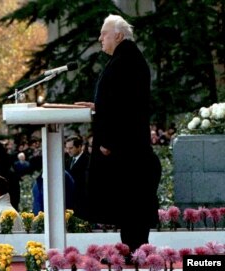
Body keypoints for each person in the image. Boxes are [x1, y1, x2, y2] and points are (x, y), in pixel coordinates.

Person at [75, 14, 162, 259]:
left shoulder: (127, 60)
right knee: (129, 202)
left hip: (124, 148)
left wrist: (109, 141)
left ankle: (134, 252)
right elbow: (117, 101)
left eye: (104, 33)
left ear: (118, 35)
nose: (100, 38)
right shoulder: (125, 58)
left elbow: (127, 107)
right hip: (128, 147)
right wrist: (96, 106)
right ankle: (132, 251)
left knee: (131, 201)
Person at [65, 135, 91, 220]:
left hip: (83, 202)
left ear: (79, 147)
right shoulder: (67, 161)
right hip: (70, 202)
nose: (68, 151)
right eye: (67, 148)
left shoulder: (88, 160)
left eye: (71, 148)